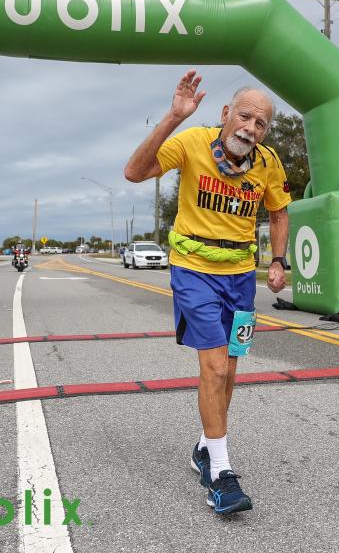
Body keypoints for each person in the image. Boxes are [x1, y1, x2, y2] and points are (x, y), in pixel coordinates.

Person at [124, 69, 291, 515]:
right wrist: (173, 117)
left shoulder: (268, 163)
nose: (250, 128)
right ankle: (220, 473)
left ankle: (204, 446)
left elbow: (278, 212)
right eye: (245, 116)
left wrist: (278, 260)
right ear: (225, 114)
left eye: (261, 123)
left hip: (241, 278)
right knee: (214, 367)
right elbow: (134, 172)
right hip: (194, 271)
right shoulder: (193, 141)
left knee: (230, 370)